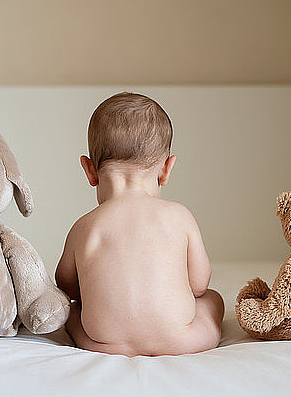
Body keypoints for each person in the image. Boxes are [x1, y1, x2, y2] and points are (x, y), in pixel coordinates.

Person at [55, 92, 223, 356]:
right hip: (179, 340)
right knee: (212, 299)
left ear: (89, 170)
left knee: (71, 311)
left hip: (104, 344)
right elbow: (199, 284)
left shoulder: (84, 227)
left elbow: (66, 285)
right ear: (167, 169)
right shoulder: (179, 216)